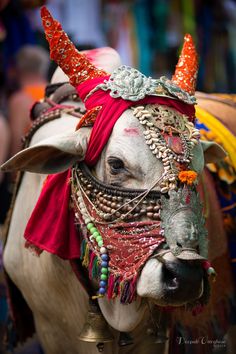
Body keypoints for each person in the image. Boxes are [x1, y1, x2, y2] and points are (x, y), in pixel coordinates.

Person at [8, 45, 49, 156]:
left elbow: (16, 146)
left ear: (16, 69)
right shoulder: (56, 93)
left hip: (32, 167)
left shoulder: (20, 100)